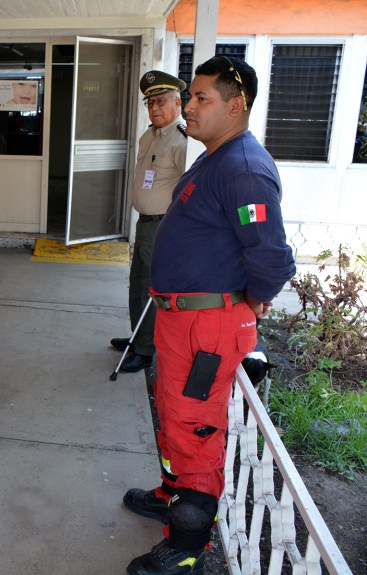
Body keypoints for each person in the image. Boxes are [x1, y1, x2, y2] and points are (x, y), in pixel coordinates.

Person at [124, 56, 296, 575]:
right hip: (182, 320)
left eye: (202, 99)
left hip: (207, 327)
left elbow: (271, 255)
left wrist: (256, 296)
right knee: (174, 413)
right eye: (190, 98)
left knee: (195, 427)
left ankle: (186, 544)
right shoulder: (215, 156)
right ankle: (172, 494)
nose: (189, 107)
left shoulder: (244, 167)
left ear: (235, 105)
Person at [110, 70, 188, 374]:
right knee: (138, 286)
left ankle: (145, 351)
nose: (154, 108)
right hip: (144, 223)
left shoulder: (181, 140)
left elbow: (191, 189)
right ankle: (138, 338)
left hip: (163, 226)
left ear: (178, 103)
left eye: (161, 101)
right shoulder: (150, 135)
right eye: (150, 102)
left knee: (152, 288)